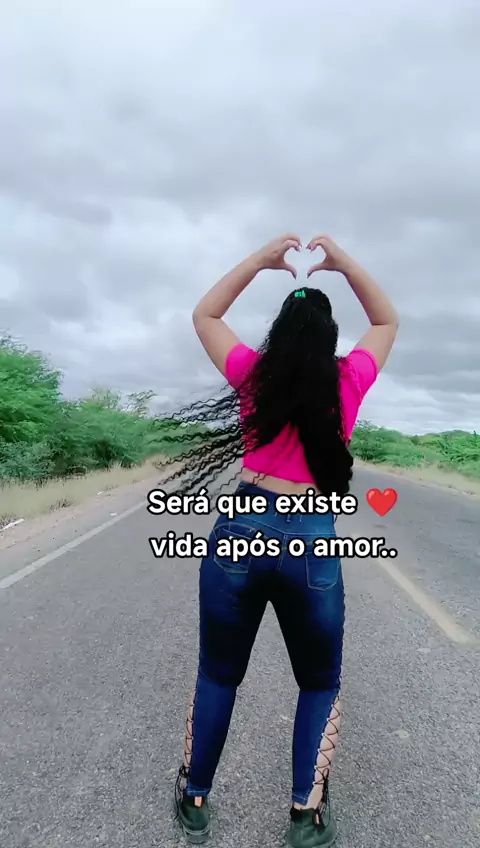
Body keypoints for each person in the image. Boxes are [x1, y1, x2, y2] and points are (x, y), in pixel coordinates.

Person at [160, 234, 398, 847]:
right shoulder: (348, 380)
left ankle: (194, 798)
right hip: (312, 536)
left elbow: (204, 315)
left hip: (242, 526)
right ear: (329, 339)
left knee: (219, 674)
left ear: (279, 335)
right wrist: (343, 264)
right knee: (318, 683)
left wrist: (261, 262)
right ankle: (304, 816)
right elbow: (387, 321)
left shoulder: (254, 376)